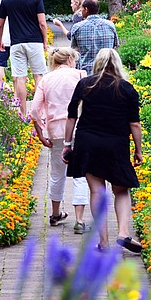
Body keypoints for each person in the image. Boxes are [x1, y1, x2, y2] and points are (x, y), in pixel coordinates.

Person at [62, 48, 144, 254]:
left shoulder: (85, 84)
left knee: (97, 191)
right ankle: (123, 233)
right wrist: (138, 150)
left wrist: (67, 144)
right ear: (117, 64)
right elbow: (135, 124)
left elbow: (71, 115)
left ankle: (104, 242)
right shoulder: (126, 89)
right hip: (116, 144)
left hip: (88, 142)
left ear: (97, 63)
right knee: (121, 189)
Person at [29, 47, 89, 233]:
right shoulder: (80, 74)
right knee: (80, 174)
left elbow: (34, 111)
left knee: (56, 174)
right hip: (80, 130)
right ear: (70, 59)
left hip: (56, 132)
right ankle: (79, 220)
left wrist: (40, 132)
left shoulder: (46, 79)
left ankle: (55, 214)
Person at [0, 0, 48, 116]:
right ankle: (38, 114)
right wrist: (45, 41)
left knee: (20, 78)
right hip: (34, 42)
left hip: (16, 43)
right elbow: (42, 23)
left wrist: (0, 41)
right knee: (38, 76)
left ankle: (22, 113)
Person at [67, 0, 119, 75]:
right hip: (107, 71)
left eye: (82, 9)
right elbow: (115, 47)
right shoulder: (110, 25)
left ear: (86, 9)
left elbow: (74, 51)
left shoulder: (77, 27)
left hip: (86, 73)